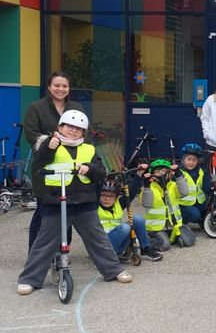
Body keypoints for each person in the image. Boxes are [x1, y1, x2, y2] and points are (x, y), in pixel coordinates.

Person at [18, 110, 131, 295]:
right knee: (44, 241)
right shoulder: (49, 144)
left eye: (78, 128)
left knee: (97, 238)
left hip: (84, 202)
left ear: (83, 132)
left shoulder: (89, 149)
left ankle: (113, 270)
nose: (73, 131)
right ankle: (29, 279)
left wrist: (90, 169)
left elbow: (101, 173)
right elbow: (39, 165)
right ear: (60, 127)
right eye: (69, 126)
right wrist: (49, 146)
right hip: (55, 202)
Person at [23, 71, 84, 251]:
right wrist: (51, 141)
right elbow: (31, 134)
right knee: (44, 211)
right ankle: (35, 253)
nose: (60, 89)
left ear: (69, 88)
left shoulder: (76, 107)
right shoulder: (36, 107)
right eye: (56, 85)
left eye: (64, 86)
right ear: (49, 87)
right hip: (46, 167)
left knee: (68, 210)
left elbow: (85, 131)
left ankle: (61, 253)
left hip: (70, 166)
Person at [97, 179, 163, 261]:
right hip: (102, 247)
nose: (107, 199)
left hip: (118, 244)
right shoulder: (93, 207)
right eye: (103, 195)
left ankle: (145, 249)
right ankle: (104, 258)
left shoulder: (118, 204)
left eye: (111, 196)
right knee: (125, 227)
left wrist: (138, 175)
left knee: (137, 219)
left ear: (116, 197)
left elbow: (130, 193)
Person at [140, 158, 195, 250]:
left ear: (169, 173)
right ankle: (145, 239)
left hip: (174, 224)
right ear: (152, 175)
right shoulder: (149, 188)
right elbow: (147, 203)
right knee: (164, 246)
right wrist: (146, 186)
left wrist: (179, 176)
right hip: (157, 228)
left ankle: (173, 236)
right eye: (157, 172)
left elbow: (184, 193)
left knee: (189, 241)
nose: (161, 174)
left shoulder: (172, 185)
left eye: (163, 171)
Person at [177, 143, 211, 229]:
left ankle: (201, 219)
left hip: (199, 203)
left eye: (194, 160)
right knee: (195, 214)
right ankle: (180, 222)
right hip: (183, 205)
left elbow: (207, 189)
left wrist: (209, 177)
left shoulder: (201, 171)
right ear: (183, 160)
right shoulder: (179, 172)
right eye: (189, 159)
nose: (191, 163)